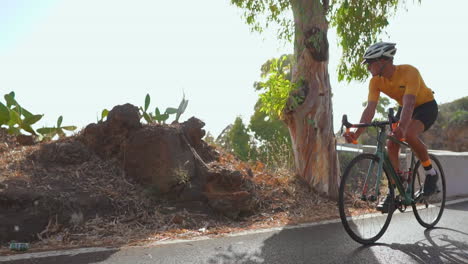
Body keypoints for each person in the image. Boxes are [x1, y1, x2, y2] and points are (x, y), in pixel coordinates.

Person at [344, 42, 439, 213]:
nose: (367, 67)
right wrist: (356, 134)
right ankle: (395, 189)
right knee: (392, 143)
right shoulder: (375, 82)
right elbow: (370, 110)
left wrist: (402, 127)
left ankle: (430, 172)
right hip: (405, 106)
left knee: (408, 133)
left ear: (382, 61)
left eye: (370, 63)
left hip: (425, 106)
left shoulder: (409, 72)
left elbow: (410, 103)